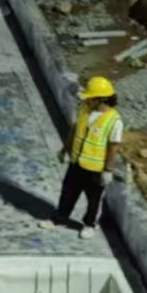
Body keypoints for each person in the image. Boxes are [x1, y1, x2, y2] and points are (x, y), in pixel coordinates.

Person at [50, 76, 123, 239]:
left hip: (95, 169)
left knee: (93, 199)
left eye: (90, 98)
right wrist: (65, 149)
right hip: (77, 162)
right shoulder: (85, 109)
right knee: (68, 191)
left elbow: (114, 147)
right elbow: (75, 130)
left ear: (100, 99)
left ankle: (89, 224)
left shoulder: (114, 120)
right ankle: (60, 217)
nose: (87, 100)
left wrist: (108, 170)